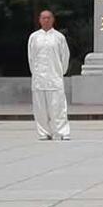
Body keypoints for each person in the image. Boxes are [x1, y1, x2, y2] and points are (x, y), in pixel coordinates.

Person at [28, 10, 71, 141]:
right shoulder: (34, 37)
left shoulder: (59, 37)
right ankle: (44, 132)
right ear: (39, 20)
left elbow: (65, 57)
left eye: (48, 18)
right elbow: (31, 57)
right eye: (43, 18)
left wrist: (60, 72)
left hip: (55, 77)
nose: (46, 20)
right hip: (39, 78)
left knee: (58, 107)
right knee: (40, 108)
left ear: (53, 20)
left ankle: (63, 131)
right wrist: (35, 73)